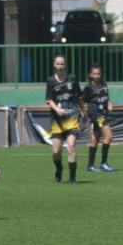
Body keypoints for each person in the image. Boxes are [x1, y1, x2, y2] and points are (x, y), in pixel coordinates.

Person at [45, 54, 83, 183]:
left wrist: (84, 111)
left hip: (72, 118)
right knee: (56, 151)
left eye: (62, 64)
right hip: (57, 121)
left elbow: (79, 97)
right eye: (58, 64)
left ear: (65, 65)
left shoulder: (72, 78)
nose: (60, 66)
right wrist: (57, 110)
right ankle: (59, 168)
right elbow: (49, 100)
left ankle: (72, 178)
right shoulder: (50, 81)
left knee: (71, 146)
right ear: (54, 65)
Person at [83, 64, 116, 173]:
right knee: (109, 136)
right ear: (90, 75)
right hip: (96, 115)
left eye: (98, 73)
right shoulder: (88, 87)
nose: (97, 75)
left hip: (104, 113)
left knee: (95, 140)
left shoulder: (103, 84)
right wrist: (86, 116)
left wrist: (110, 103)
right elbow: (84, 102)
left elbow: (106, 96)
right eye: (94, 74)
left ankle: (90, 165)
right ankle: (103, 163)